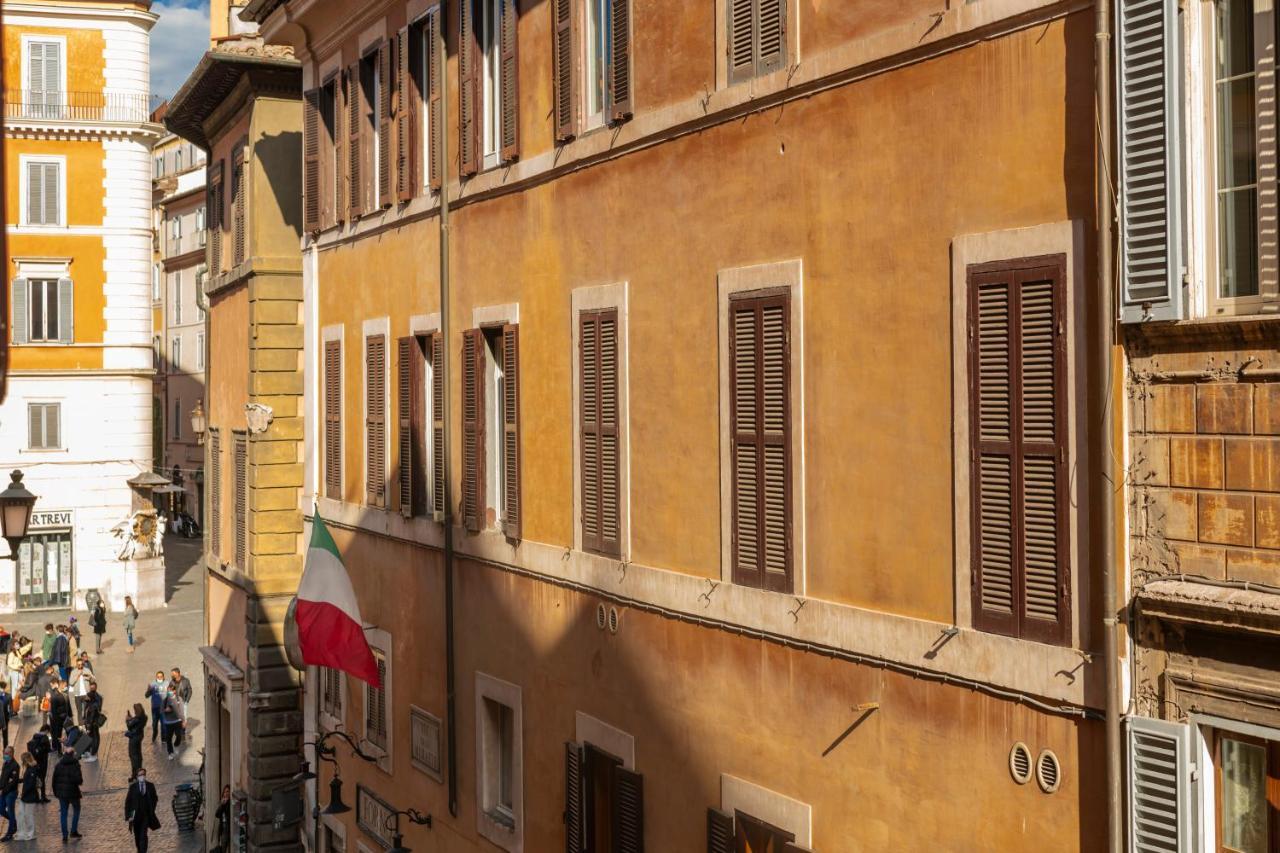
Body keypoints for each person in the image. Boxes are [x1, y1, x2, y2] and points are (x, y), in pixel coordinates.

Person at [124, 767, 160, 852]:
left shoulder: (150, 786)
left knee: (143, 835)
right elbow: (128, 802)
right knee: (137, 836)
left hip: (145, 815)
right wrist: (128, 816)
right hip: (135, 815)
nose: (142, 776)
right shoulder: (133, 787)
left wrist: (152, 809)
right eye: (140, 775)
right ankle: (139, 850)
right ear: (137, 777)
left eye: (143, 774)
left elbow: (155, 798)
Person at [51, 747, 82, 842]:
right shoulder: (75, 764)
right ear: (73, 754)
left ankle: (64, 835)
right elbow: (79, 780)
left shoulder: (58, 765)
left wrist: (56, 792)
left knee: (63, 814)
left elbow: (54, 780)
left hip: (62, 794)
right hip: (73, 793)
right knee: (76, 810)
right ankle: (73, 831)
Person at [13, 753, 36, 842]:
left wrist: (23, 793)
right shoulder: (28, 769)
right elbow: (26, 780)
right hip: (24, 795)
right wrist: (19, 780)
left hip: (29, 796)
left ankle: (31, 833)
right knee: (20, 814)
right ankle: (22, 832)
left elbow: (30, 784)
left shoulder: (32, 769)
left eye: (22, 760)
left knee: (28, 815)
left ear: (25, 760)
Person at [26, 726, 50, 804]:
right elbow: (48, 749)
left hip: (35, 761)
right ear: (46, 730)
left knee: (35, 778)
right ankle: (43, 796)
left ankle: (36, 796)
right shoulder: (45, 738)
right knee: (42, 779)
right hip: (42, 762)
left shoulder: (35, 736)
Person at [81, 682, 102, 763]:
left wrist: (89, 727)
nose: (86, 697)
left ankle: (93, 754)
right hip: (90, 724)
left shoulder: (93, 705)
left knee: (94, 738)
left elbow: (91, 718)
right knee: (90, 737)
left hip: (92, 725)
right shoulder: (89, 703)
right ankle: (90, 752)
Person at [125, 704, 147, 777]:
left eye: (135, 710)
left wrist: (127, 720)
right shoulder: (144, 717)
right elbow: (134, 722)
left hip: (134, 738)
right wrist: (131, 719)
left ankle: (136, 772)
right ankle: (139, 768)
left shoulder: (137, 719)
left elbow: (129, 726)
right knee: (138, 753)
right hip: (140, 736)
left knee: (133, 755)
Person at [0, 747, 17, 841]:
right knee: (1, 809)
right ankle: (13, 822)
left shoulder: (15, 766)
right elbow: (3, 778)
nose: (5, 755)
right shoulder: (5, 763)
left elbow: (13, 782)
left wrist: (4, 790)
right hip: (3, 792)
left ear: (11, 753)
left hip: (11, 793)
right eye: (4, 753)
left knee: (11, 812)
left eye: (6, 753)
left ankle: (9, 833)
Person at [160, 691, 182, 759]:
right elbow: (161, 710)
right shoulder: (165, 700)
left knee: (178, 735)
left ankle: (176, 744)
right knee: (168, 738)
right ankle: (170, 753)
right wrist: (165, 710)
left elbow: (182, 709)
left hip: (177, 721)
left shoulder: (178, 699)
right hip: (168, 722)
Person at [47, 681, 70, 747]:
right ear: (61, 686)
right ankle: (57, 749)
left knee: (69, 732)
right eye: (65, 686)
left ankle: (69, 746)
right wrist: (56, 720)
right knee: (57, 735)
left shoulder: (65, 695)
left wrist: (70, 715)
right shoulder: (55, 697)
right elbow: (54, 710)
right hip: (58, 719)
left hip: (65, 717)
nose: (66, 687)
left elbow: (68, 706)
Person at [145, 672, 165, 743]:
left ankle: (163, 739)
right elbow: (146, 696)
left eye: (161, 676)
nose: (159, 678)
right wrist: (148, 690)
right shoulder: (152, 685)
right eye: (158, 677)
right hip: (155, 708)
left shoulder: (167, 684)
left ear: (163, 677)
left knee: (163, 724)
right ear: (156, 677)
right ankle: (154, 736)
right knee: (154, 724)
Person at [213, 785, 232, 853]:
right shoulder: (223, 803)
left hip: (228, 827)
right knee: (223, 847)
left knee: (224, 847)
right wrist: (222, 805)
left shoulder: (230, 803)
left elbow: (229, 813)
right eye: (224, 792)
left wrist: (225, 804)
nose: (226, 793)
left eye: (228, 791)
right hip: (223, 828)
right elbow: (217, 814)